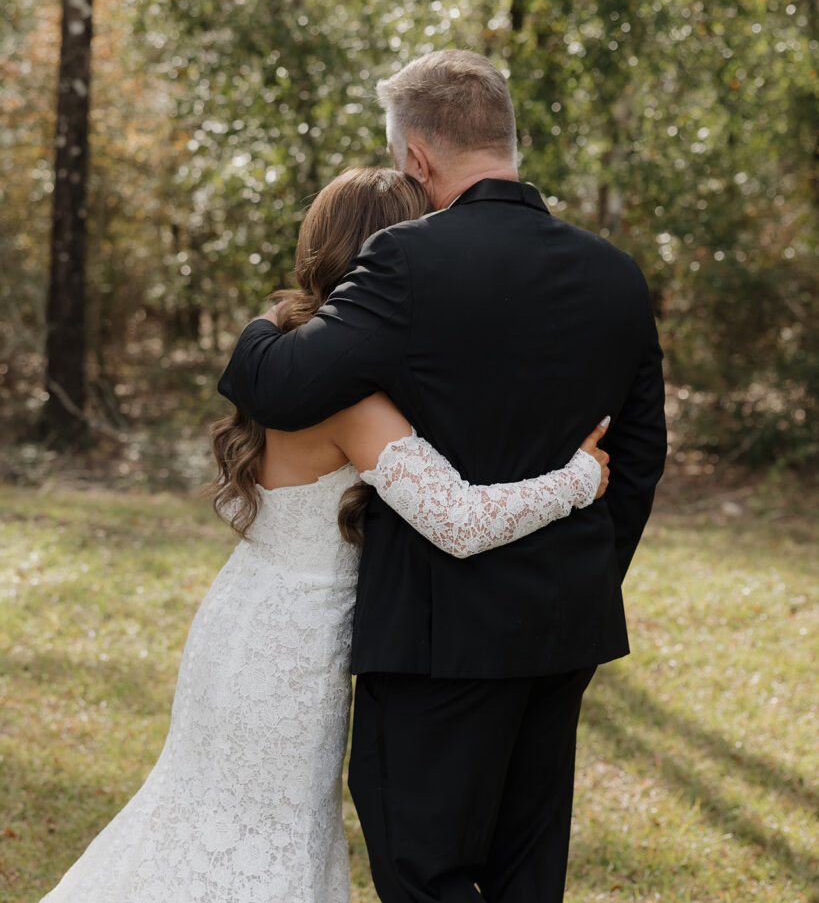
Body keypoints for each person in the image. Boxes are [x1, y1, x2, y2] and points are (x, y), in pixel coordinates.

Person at [39, 167, 612, 903]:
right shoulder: (353, 400)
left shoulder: (288, 347)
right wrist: (574, 481)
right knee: (262, 838)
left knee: (209, 820)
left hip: (244, 614)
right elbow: (459, 522)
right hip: (289, 652)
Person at [218, 50, 667, 901]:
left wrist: (269, 320)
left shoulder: (404, 262)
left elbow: (276, 384)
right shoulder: (615, 273)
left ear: (416, 159)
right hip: (562, 628)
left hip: (437, 644)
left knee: (424, 871)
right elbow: (639, 451)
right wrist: (580, 574)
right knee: (525, 877)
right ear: (506, 139)